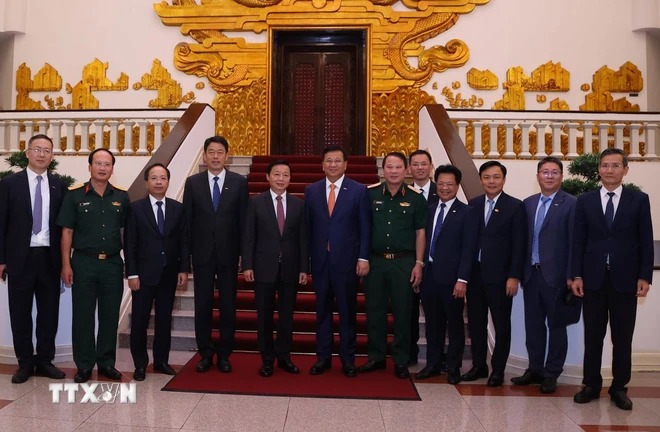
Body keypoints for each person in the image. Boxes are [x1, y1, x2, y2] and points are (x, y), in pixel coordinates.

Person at [571, 148, 653, 411]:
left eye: (616, 165)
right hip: (592, 279)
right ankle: (591, 385)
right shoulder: (585, 201)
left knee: (622, 337)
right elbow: (577, 241)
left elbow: (645, 240)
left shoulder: (638, 200)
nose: (609, 170)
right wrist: (576, 275)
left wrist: (644, 275)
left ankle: (619, 388)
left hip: (625, 280)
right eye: (605, 165)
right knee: (593, 335)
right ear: (599, 169)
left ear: (625, 170)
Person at [57, 147, 130, 383]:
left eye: (107, 164)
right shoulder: (74, 196)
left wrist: (130, 264)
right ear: (90, 167)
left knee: (109, 317)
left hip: (112, 264)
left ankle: (107, 363)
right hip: (83, 263)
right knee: (83, 316)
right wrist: (66, 265)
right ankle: (84, 365)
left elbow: (126, 233)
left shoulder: (122, 197)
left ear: (112, 169)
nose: (102, 168)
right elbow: (67, 232)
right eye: (98, 163)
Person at [0, 134, 67, 384]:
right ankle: (25, 363)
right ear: (27, 153)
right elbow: (1, 223)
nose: (41, 154)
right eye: (37, 149)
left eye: (47, 150)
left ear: (52, 156)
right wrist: (1, 259)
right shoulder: (9, 184)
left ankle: (45, 360)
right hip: (20, 257)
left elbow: (64, 227)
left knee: (49, 312)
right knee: (20, 312)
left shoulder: (59, 186)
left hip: (49, 257)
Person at [358, 152, 427, 379]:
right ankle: (376, 357)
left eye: (398, 167)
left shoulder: (416, 198)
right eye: (389, 166)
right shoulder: (370, 194)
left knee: (403, 312)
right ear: (383, 170)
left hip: (403, 262)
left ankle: (400, 360)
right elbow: (362, 228)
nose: (394, 171)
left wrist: (419, 263)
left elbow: (420, 232)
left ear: (406, 170)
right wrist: (363, 258)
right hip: (376, 262)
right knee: (374, 311)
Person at [304, 145, 371, 378]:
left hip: (347, 263)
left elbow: (365, 227)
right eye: (329, 161)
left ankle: (348, 360)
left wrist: (363, 257)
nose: (333, 164)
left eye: (337, 161)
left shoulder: (359, 190)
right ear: (322, 165)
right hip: (321, 262)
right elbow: (307, 229)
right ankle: (323, 358)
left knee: (347, 312)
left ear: (345, 164)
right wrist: (306, 262)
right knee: (322, 312)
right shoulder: (311, 190)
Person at [511, 157, 576, 394]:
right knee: (534, 326)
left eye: (554, 172)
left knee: (556, 327)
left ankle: (552, 373)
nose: (549, 176)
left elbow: (575, 243)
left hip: (557, 277)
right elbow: (521, 240)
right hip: (532, 275)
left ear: (561, 176)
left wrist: (572, 275)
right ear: (537, 176)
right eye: (545, 172)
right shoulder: (528, 204)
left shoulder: (571, 203)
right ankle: (535, 369)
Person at [183, 136, 248, 373]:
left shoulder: (239, 182)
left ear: (227, 156)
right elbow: (187, 223)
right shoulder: (193, 183)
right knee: (203, 305)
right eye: (211, 152)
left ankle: (224, 354)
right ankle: (205, 353)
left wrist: (245, 257)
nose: (215, 156)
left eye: (220, 152)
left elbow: (244, 222)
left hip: (229, 255)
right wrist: (185, 260)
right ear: (204, 155)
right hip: (202, 255)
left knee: (228, 306)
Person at [463, 161, 526, 387]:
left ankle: (498, 369)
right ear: (481, 180)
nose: (491, 181)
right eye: (487, 177)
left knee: (501, 325)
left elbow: (519, 245)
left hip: (501, 278)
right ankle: (479, 365)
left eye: (496, 177)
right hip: (475, 275)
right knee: (476, 323)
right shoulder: (473, 204)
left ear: (504, 180)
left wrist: (514, 276)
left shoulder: (515, 206)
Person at [124, 163, 189, 381]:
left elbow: (183, 241)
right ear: (146, 182)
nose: (159, 182)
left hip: (169, 273)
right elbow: (130, 243)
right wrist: (132, 273)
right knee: (140, 320)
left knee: (164, 319)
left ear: (168, 181)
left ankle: (161, 361)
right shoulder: (135, 208)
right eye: (154, 178)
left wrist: (183, 268)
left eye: (163, 178)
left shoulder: (178, 208)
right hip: (143, 275)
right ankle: (140, 364)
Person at [242, 160, 308, 377]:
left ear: (290, 178)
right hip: (263, 267)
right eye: (277, 174)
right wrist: (247, 264)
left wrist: (304, 267)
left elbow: (303, 239)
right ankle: (267, 359)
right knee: (264, 316)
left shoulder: (299, 204)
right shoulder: (255, 202)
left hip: (290, 268)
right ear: (268, 177)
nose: (281, 179)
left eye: (285, 175)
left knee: (287, 315)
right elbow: (249, 235)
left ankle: (284, 357)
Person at [417, 164, 477, 385]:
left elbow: (469, 249)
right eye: (441, 183)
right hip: (429, 276)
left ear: (457, 185)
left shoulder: (467, 212)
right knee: (433, 323)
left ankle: (453, 367)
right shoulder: (430, 209)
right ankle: (432, 364)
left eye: (449, 184)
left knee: (455, 324)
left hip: (453, 280)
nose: (444, 188)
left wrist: (462, 279)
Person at [408, 149, 439, 367]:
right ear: (409, 169)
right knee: (408, 312)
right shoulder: (403, 192)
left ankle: (435, 359)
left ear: (431, 167)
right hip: (408, 262)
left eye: (424, 164)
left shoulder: (443, 190)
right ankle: (410, 353)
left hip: (436, 264)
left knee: (435, 314)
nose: (420, 168)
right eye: (415, 164)